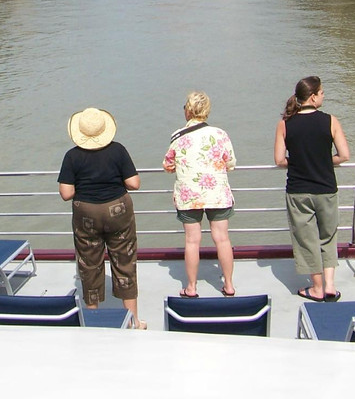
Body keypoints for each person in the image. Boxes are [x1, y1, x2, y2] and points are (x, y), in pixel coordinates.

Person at [57, 107, 145, 330]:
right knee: (125, 261)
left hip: (86, 214)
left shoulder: (72, 156)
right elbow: (134, 183)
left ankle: (92, 319)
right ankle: (133, 320)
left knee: (89, 264)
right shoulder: (118, 151)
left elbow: (66, 193)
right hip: (118, 211)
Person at [273, 76, 350, 302]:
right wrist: (324, 160)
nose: (324, 96)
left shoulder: (285, 124)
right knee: (328, 236)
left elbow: (279, 160)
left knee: (306, 240)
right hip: (326, 188)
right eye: (323, 92)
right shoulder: (330, 121)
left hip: (298, 190)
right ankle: (330, 286)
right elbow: (344, 155)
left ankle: (315, 287)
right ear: (313, 96)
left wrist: (299, 161)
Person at [162, 91, 236, 298]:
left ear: (188, 110)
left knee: (192, 241)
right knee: (222, 239)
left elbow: (168, 164)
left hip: (189, 194)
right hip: (217, 193)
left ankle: (191, 287)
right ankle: (228, 285)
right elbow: (230, 162)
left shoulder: (177, 136)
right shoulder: (220, 134)